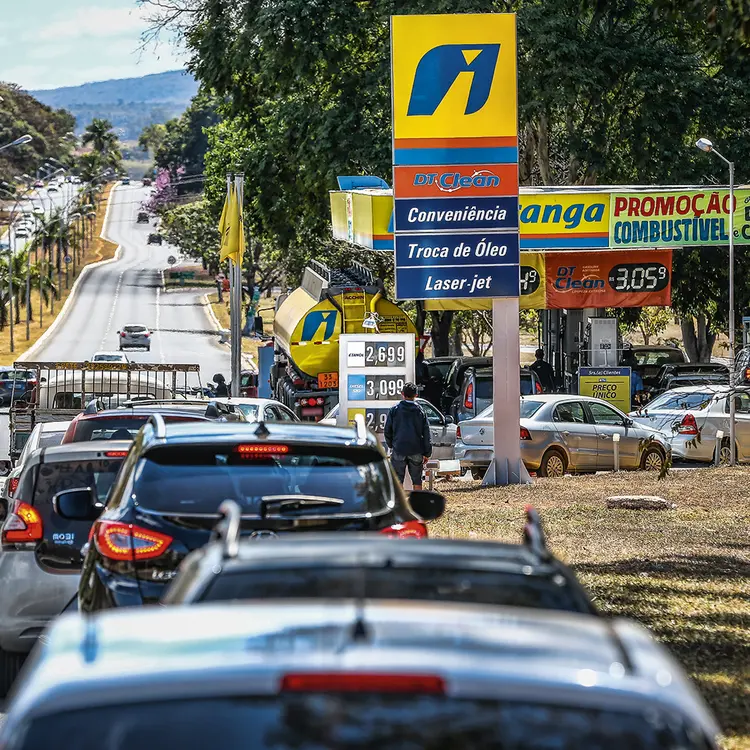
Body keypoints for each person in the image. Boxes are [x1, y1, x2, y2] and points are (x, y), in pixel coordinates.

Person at [384, 382, 432, 490]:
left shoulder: (394, 410)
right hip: (416, 449)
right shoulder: (420, 411)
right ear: (416, 395)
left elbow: (387, 431)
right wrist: (427, 453)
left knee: (397, 480)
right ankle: (417, 505)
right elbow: (426, 433)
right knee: (417, 480)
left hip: (399, 449)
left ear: (402, 394)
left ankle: (399, 505)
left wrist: (392, 445)